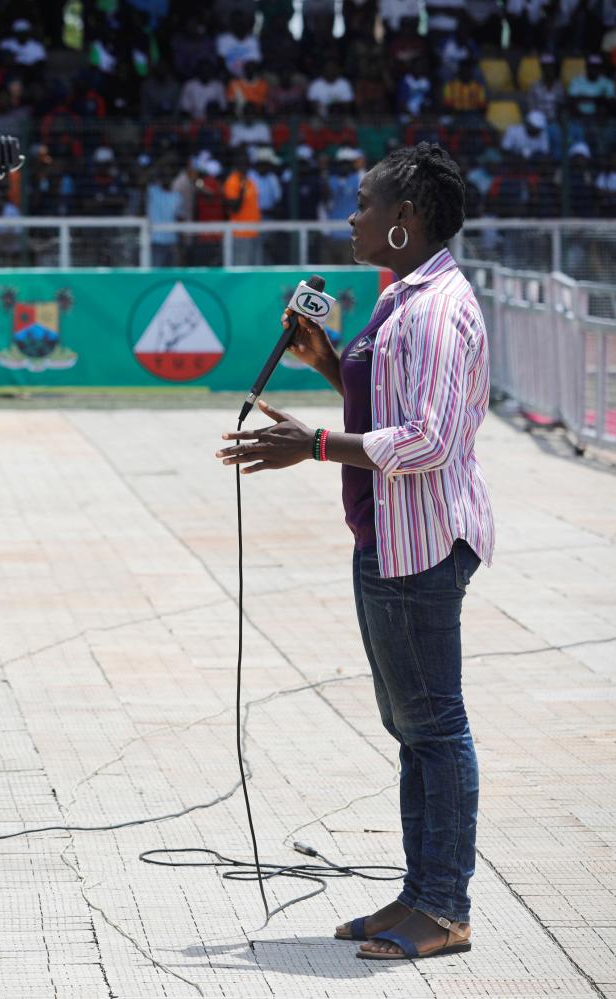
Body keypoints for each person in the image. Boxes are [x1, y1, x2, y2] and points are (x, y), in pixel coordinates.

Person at [216, 142, 491, 962]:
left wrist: (315, 445)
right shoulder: (401, 298)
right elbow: (393, 405)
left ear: (404, 220)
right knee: (410, 726)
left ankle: (443, 907)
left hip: (421, 542)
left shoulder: (437, 307)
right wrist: (328, 362)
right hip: (387, 534)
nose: (350, 215)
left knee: (434, 727)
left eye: (364, 201)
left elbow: (432, 440)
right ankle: (418, 893)